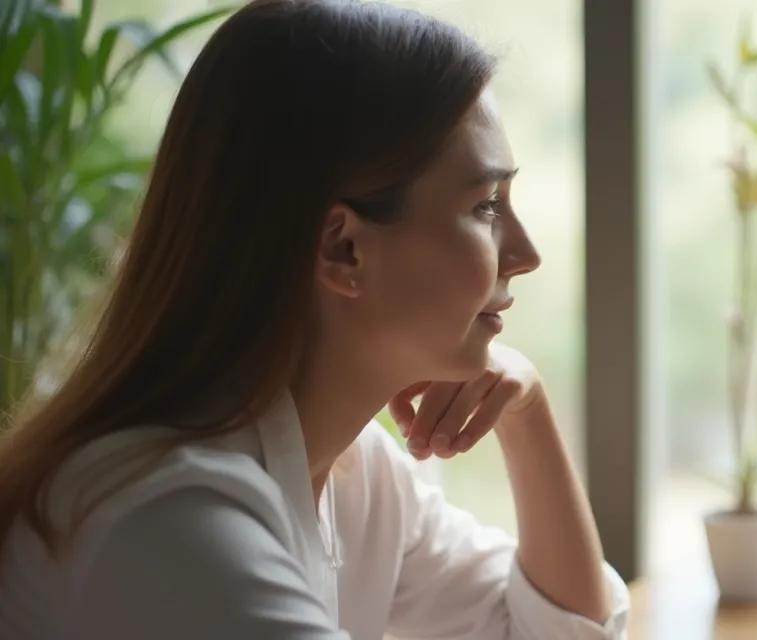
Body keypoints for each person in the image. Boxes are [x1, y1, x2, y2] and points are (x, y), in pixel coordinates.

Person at [0, 1, 627, 637]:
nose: (525, 254)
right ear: (342, 248)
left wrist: (527, 414)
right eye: (486, 207)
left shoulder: (352, 474)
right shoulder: (172, 519)